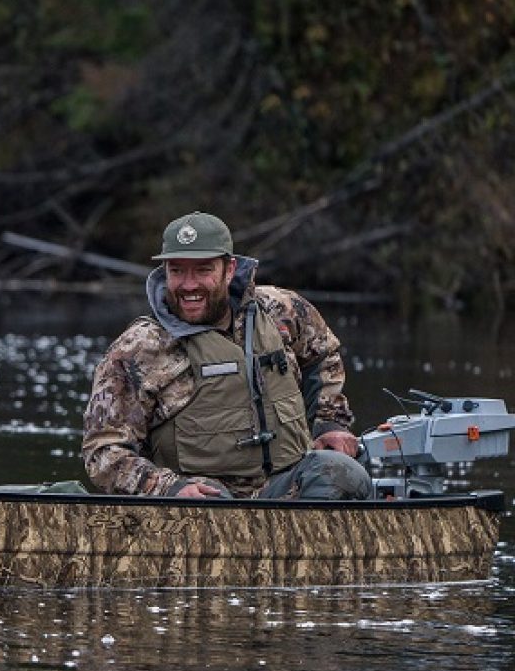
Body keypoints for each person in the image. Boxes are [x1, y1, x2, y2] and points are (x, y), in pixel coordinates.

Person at [81, 211, 373, 500]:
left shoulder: (281, 310)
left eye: (203, 270)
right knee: (210, 507)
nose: (188, 285)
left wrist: (330, 423)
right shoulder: (138, 350)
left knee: (345, 473)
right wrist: (166, 487)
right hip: (200, 499)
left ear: (229, 269)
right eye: (177, 270)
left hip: (285, 484)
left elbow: (323, 354)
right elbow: (103, 450)